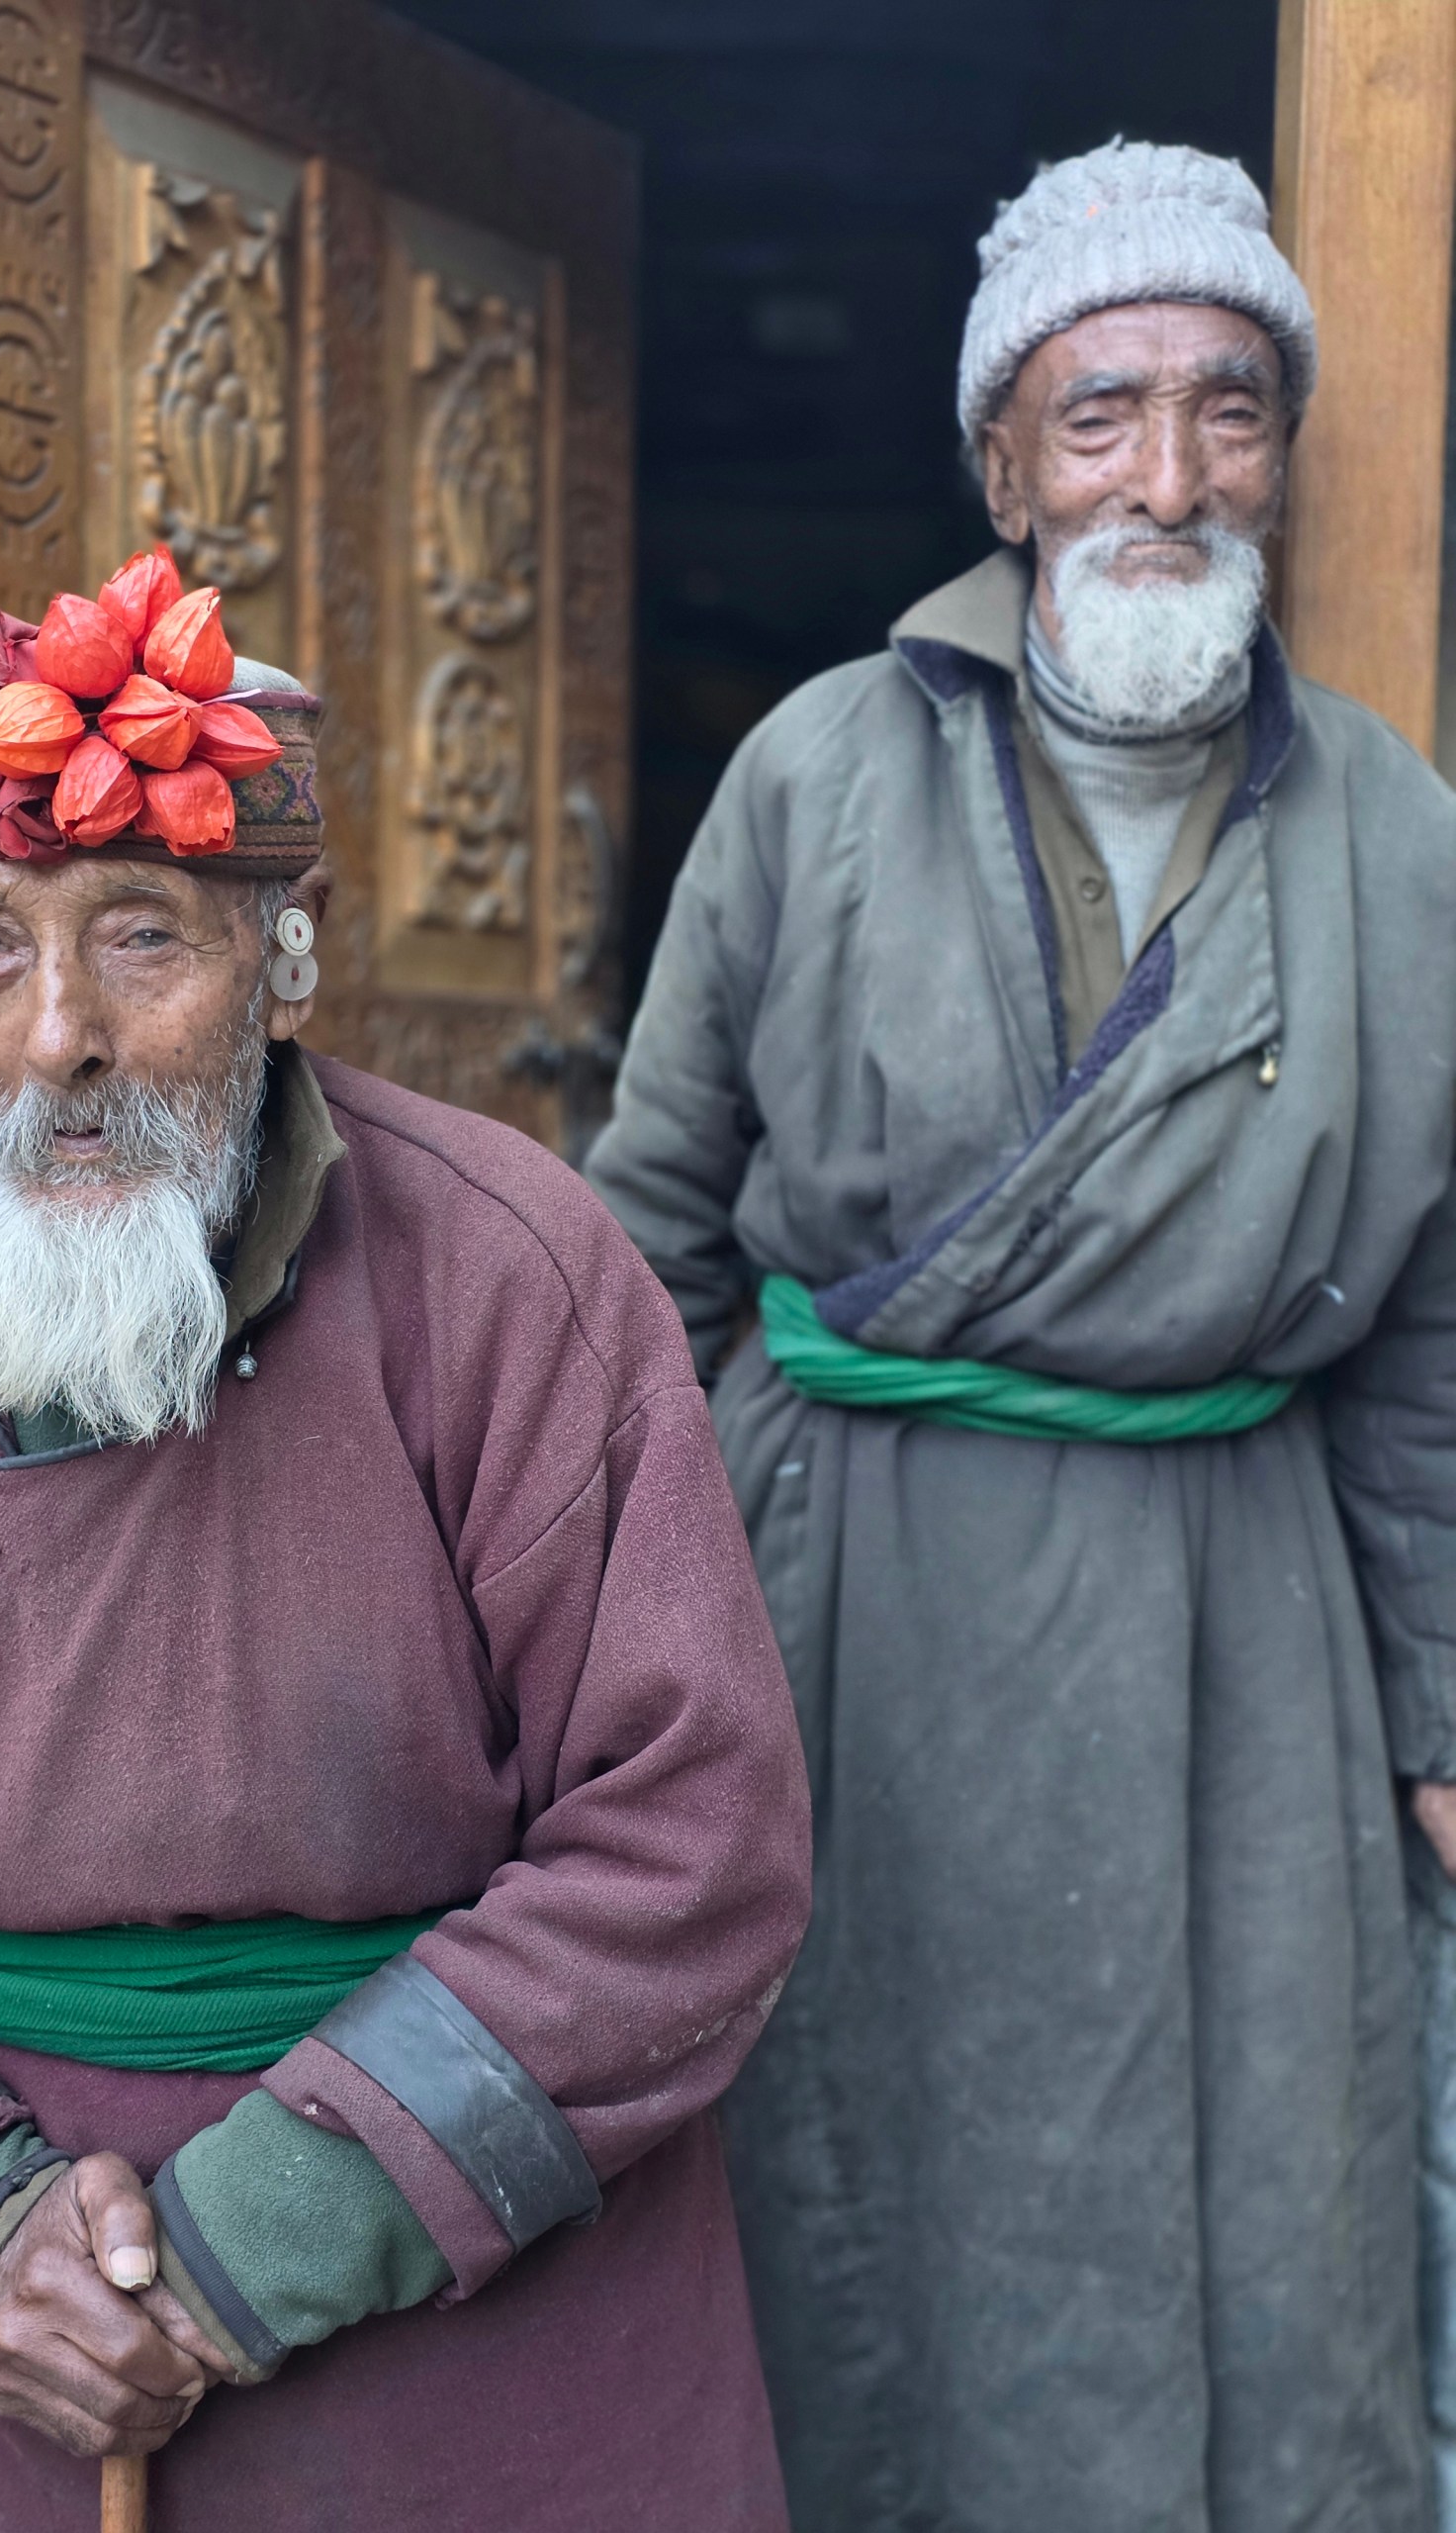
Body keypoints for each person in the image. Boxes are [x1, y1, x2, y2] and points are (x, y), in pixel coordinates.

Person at [0, 560, 811, 2531]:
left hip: (491, 2335)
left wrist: (251, 2238)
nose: (59, 1034)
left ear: (284, 964)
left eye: (141, 936)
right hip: (15, 2359)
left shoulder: (512, 1276)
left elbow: (692, 1838)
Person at [587, 139, 1456, 2532]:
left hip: (1238, 1624)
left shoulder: (1396, 831)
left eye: (1228, 409)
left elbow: (1429, 1328)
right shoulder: (816, 772)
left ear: (1281, 452)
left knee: (1268, 2188)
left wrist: (1443, 1706)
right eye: (1102, 415)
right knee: (862, 2203)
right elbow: (643, 1240)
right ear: (1004, 469)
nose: (1168, 478)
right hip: (859, 1601)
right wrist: (629, 1664)